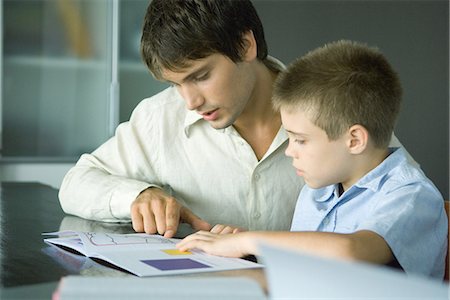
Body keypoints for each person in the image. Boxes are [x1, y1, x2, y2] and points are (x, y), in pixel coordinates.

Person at [59, 0, 411, 239]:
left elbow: (407, 203)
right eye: (175, 84)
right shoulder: (160, 117)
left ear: (245, 46)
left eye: (200, 76)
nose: (190, 101)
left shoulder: (337, 106)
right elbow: (76, 183)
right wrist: (138, 195)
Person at [176, 40, 448, 279]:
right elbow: (303, 269)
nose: (289, 151)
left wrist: (250, 241)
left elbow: (351, 250)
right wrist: (246, 252)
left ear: (354, 140)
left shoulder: (411, 196)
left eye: (300, 139)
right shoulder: (316, 193)